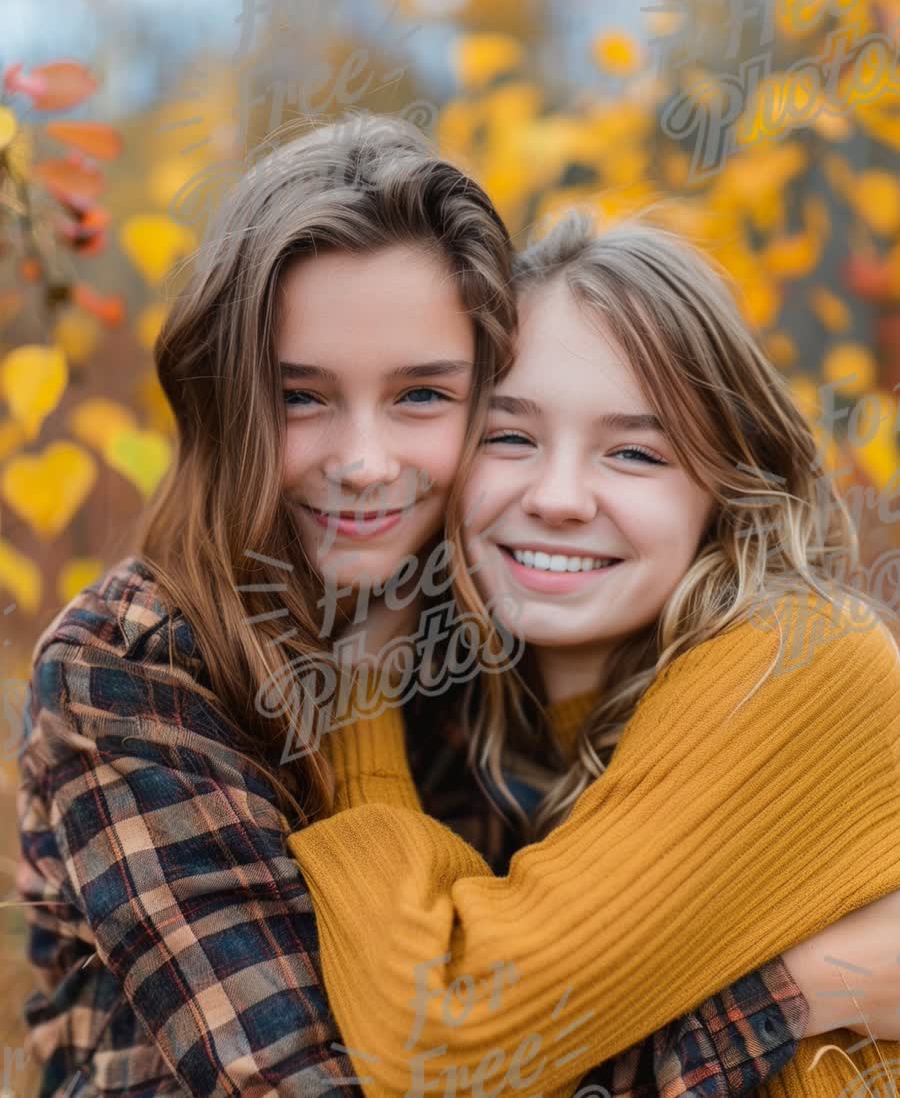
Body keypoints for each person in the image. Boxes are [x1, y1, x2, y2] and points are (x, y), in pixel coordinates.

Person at [16, 116, 897, 1097]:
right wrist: (790, 996)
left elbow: (481, 1032)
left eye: (423, 396)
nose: (362, 463)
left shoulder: (609, 641)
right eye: (301, 395)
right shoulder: (137, 667)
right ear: (229, 398)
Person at [285, 210, 900, 1098]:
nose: (561, 497)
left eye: (635, 452)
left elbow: (438, 1043)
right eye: (510, 435)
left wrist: (357, 687)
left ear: (723, 486)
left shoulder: (800, 659)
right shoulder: (507, 714)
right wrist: (792, 991)